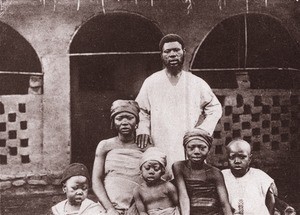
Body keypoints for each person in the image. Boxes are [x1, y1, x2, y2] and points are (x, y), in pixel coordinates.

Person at [135, 33, 222, 178]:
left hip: (187, 139)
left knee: (189, 180)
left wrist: (202, 130)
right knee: (162, 179)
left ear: (184, 53)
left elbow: (215, 108)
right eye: (167, 51)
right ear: (162, 55)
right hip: (160, 139)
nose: (173, 54)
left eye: (176, 50)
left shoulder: (196, 82)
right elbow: (141, 109)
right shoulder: (152, 82)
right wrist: (143, 128)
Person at [92, 100, 150, 215]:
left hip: (139, 207)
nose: (124, 122)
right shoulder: (105, 145)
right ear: (113, 122)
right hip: (110, 206)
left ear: (137, 122)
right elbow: (96, 180)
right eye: (119, 118)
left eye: (129, 118)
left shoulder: (146, 147)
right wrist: (109, 209)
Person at [172, 128, 232, 215]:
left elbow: (224, 204)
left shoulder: (215, 173)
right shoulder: (179, 167)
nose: (196, 152)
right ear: (185, 148)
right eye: (191, 148)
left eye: (202, 148)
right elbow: (183, 196)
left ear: (209, 149)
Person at [222, 139, 277, 215]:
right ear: (227, 158)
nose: (237, 161)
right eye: (232, 157)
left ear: (249, 159)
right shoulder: (222, 176)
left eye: (242, 157)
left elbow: (271, 201)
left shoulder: (260, 176)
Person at [133, 147, 180, 215]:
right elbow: (142, 212)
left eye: (156, 169)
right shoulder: (138, 191)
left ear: (162, 171)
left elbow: (178, 205)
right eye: (147, 168)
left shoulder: (168, 186)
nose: (151, 172)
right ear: (141, 170)